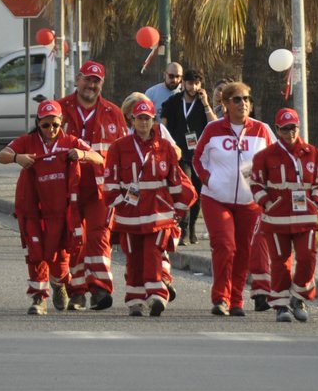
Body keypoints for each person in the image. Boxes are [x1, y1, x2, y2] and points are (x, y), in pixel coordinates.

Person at [0, 99, 101, 315]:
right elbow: (1, 156)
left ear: (61, 122)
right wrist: (17, 158)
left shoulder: (70, 141)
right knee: (35, 253)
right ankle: (38, 298)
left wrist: (82, 155)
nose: (51, 129)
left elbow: (99, 158)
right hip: (33, 210)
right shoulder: (27, 141)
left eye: (55, 124)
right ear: (38, 123)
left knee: (61, 259)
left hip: (62, 213)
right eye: (45, 125)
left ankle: (59, 283)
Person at [105, 98, 196, 316]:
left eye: (148, 119)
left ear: (154, 119)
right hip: (130, 216)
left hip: (158, 214)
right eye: (140, 119)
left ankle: (157, 295)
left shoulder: (164, 147)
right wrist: (120, 204)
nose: (144, 123)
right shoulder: (119, 147)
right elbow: (110, 183)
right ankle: (135, 299)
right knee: (134, 258)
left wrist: (179, 212)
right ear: (132, 120)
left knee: (153, 253)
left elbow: (177, 181)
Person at [192, 80, 276, 316]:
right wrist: (209, 181)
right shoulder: (213, 129)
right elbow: (198, 158)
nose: (243, 103)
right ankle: (221, 298)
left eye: (247, 99)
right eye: (237, 99)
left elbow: (276, 159)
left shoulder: (261, 130)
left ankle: (236, 299)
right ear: (225, 104)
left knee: (243, 251)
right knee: (225, 246)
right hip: (216, 199)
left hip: (250, 203)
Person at [59, 61, 129, 310]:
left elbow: (123, 152)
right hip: (67, 187)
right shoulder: (59, 109)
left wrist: (123, 187)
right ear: (78, 79)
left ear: (102, 83)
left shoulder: (114, 112)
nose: (91, 85)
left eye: (96, 80)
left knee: (100, 236)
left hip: (101, 187)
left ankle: (99, 288)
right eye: (87, 79)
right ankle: (76, 290)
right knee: (75, 237)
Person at [249, 108, 318, 323]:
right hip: (277, 218)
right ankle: (281, 305)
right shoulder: (264, 157)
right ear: (277, 130)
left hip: (306, 218)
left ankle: (298, 297)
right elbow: (256, 184)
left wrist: (315, 202)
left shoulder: (314, 153)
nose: (289, 133)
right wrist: (268, 203)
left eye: (292, 128)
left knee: (307, 258)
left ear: (298, 127)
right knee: (280, 263)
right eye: (284, 129)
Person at [160, 69, 214, 242]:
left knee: (197, 192)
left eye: (197, 83)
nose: (193, 87)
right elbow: (163, 125)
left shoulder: (202, 103)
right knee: (186, 189)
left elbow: (213, 123)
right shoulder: (173, 101)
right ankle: (182, 230)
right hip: (180, 154)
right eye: (190, 83)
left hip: (199, 154)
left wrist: (205, 103)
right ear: (184, 83)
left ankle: (191, 229)